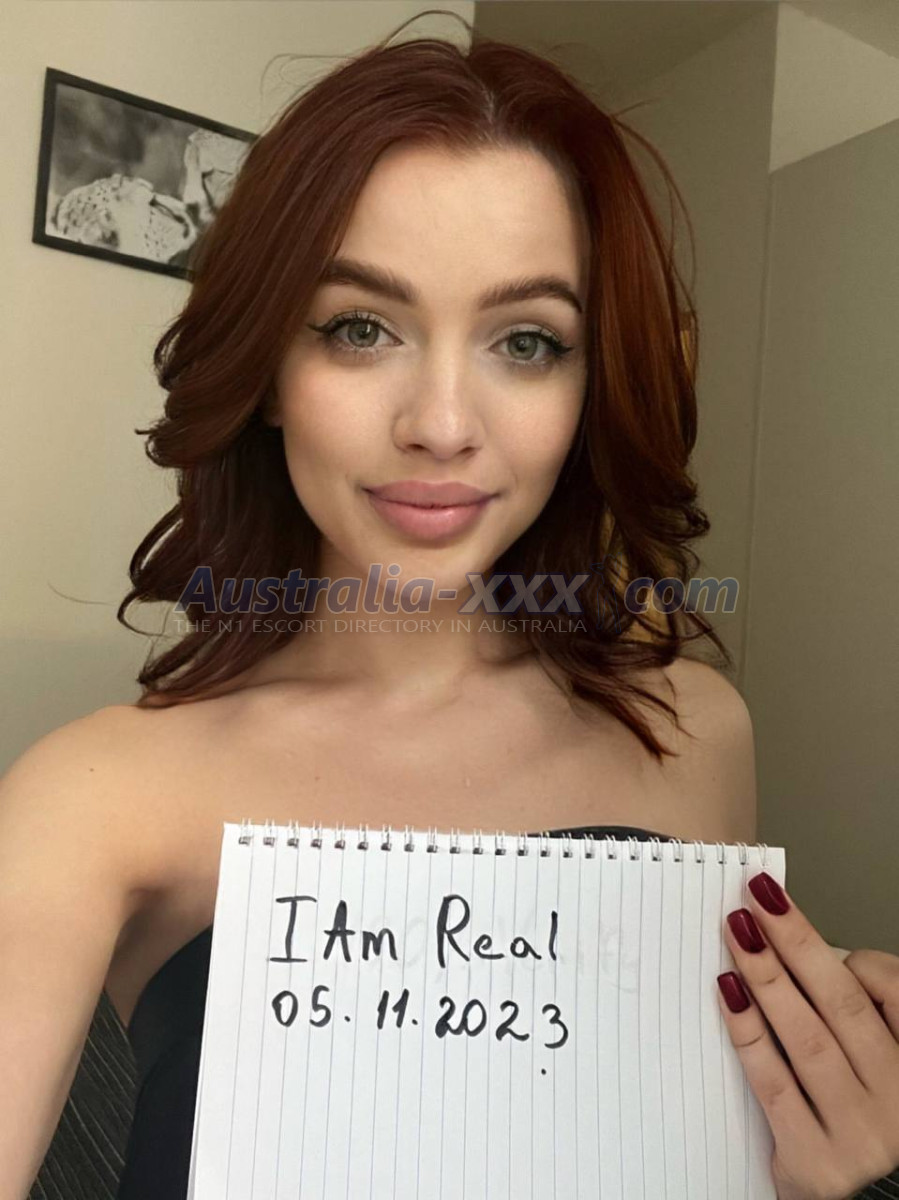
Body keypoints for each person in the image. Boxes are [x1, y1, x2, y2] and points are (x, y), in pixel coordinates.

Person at [4, 19, 898, 1200]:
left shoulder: (692, 730)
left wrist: (791, 1182)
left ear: (586, 389)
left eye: (525, 341)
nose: (438, 424)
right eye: (358, 328)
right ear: (269, 371)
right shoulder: (95, 799)